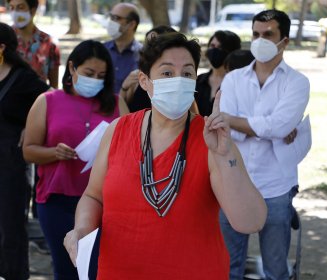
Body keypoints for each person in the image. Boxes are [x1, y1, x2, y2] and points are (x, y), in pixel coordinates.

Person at [63, 32, 267, 279]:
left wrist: (224, 155)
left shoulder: (213, 139)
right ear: (145, 80)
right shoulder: (118, 130)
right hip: (119, 271)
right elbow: (93, 196)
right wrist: (82, 229)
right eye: (167, 73)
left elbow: (250, 222)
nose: (178, 81)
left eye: (188, 73)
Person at [22, 40, 129, 280]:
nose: (95, 80)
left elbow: (132, 150)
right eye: (89, 73)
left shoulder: (116, 103)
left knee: (99, 269)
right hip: (57, 200)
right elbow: (28, 151)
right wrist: (54, 153)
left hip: (105, 202)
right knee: (67, 269)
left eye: (101, 75)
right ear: (72, 68)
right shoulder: (47, 101)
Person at [219, 9, 310, 280]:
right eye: (256, 34)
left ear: (285, 41)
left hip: (276, 186)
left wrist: (236, 122)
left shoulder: (297, 82)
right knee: (228, 268)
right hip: (234, 182)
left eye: (268, 34)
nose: (261, 40)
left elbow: (280, 126)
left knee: (275, 270)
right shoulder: (233, 79)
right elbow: (224, 127)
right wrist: (266, 128)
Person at [0, 22, 49, 280]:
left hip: (11, 166)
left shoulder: (23, 79)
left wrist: (30, 127)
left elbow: (51, 102)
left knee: (11, 227)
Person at [120, 25, 177, 112]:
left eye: (154, 44)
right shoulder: (139, 75)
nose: (148, 48)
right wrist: (124, 87)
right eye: (147, 44)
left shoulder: (178, 79)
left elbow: (193, 116)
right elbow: (120, 110)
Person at [7, 0, 60, 88]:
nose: (15, 12)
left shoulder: (49, 43)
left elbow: (54, 86)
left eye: (20, 7)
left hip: (39, 99)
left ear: (33, 10)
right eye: (12, 8)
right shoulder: (4, 40)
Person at [195, 30, 241, 116]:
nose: (215, 50)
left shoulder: (238, 84)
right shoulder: (198, 81)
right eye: (212, 46)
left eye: (220, 47)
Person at [104, 2, 142, 93]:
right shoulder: (100, 50)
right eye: (111, 17)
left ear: (132, 24)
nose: (111, 22)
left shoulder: (144, 55)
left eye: (116, 18)